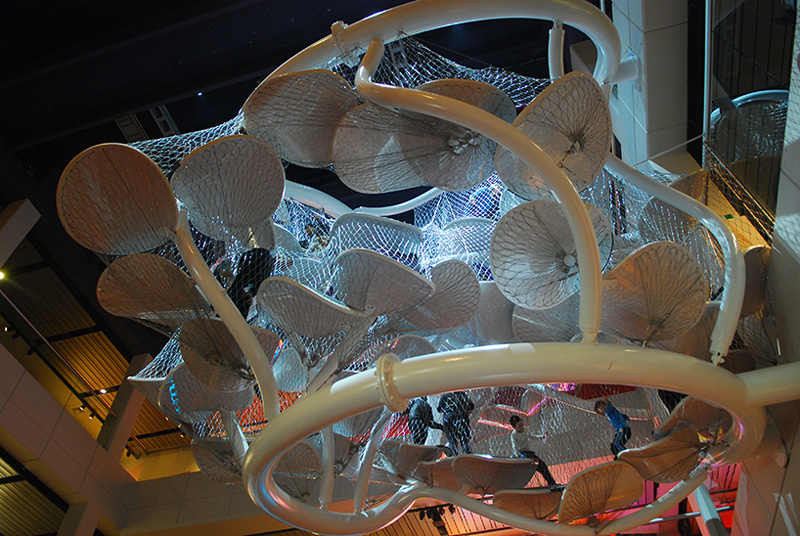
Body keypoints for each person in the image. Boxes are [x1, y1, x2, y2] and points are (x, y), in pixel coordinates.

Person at [508, 415, 558, 487]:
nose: (522, 427)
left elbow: (531, 436)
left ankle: (552, 483)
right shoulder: (514, 435)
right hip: (521, 454)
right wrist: (517, 454)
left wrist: (541, 436)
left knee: (542, 465)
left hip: (528, 453)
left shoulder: (525, 430)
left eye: (522, 425)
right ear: (514, 427)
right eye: (519, 426)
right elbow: (514, 445)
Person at [437, 391, 474, 455]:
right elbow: (471, 407)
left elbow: (439, 409)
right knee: (465, 440)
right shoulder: (463, 395)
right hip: (462, 417)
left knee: (452, 441)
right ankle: (468, 455)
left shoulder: (445, 395)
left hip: (449, 419)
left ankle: (454, 456)